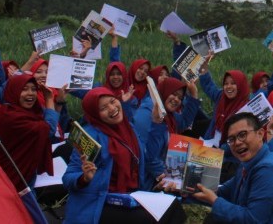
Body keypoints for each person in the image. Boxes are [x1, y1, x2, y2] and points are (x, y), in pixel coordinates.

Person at [62, 87, 185, 224]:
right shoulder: (90, 137)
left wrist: (156, 124)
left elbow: (146, 156)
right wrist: (84, 178)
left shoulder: (129, 128)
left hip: (131, 197)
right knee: (151, 218)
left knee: (174, 206)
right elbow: (68, 178)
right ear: (95, 114)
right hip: (99, 203)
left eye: (113, 101)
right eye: (103, 108)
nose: (112, 108)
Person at [193, 112, 273, 223]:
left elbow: (252, 219)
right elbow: (222, 192)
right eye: (231, 139)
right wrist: (184, 188)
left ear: (260, 134)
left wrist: (214, 201)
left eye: (242, 135)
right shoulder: (246, 164)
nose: (237, 143)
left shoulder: (269, 170)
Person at [0, 74, 58, 188]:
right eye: (24, 89)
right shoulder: (13, 117)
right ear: (13, 91)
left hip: (26, 172)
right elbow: (49, 129)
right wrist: (49, 99)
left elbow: (46, 117)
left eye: (33, 89)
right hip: (15, 178)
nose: (30, 93)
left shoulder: (20, 111)